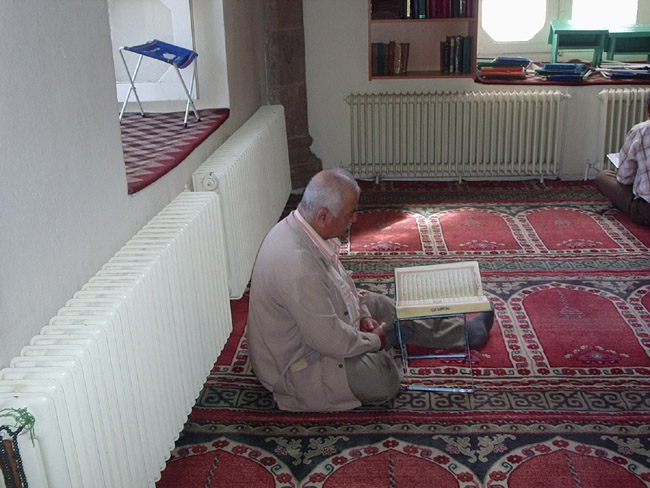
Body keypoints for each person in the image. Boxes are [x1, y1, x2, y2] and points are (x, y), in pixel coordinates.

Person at [246, 168, 494, 412]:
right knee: (382, 380)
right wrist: (373, 340)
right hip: (302, 364)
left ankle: (463, 332)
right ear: (323, 215)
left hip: (319, 331)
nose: (353, 220)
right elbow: (329, 340)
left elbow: (343, 284)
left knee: (379, 305)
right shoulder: (297, 267)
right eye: (349, 215)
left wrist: (363, 315)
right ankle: (387, 345)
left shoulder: (306, 229)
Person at [594, 91, 650, 226]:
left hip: (646, 210)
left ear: (648, 109)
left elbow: (625, 178)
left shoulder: (641, 131)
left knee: (604, 177)